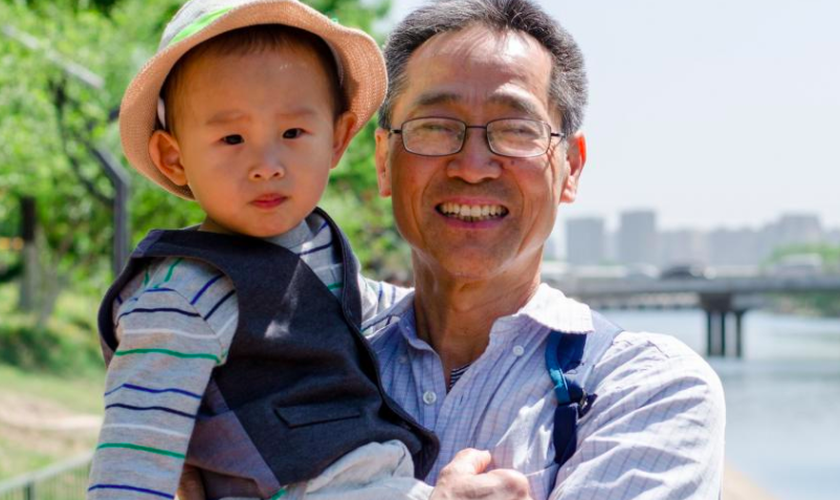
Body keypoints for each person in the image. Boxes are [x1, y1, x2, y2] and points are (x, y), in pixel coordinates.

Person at [367, 0, 726, 498]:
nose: (472, 166)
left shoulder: (645, 389)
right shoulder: (301, 349)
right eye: (436, 127)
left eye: (516, 131)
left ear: (570, 168)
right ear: (384, 161)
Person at [87, 1, 440, 499]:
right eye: (232, 138)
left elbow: (363, 306)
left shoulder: (318, 244)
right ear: (174, 157)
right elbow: (133, 460)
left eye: (293, 133)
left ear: (336, 139)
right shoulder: (182, 294)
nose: (267, 164)